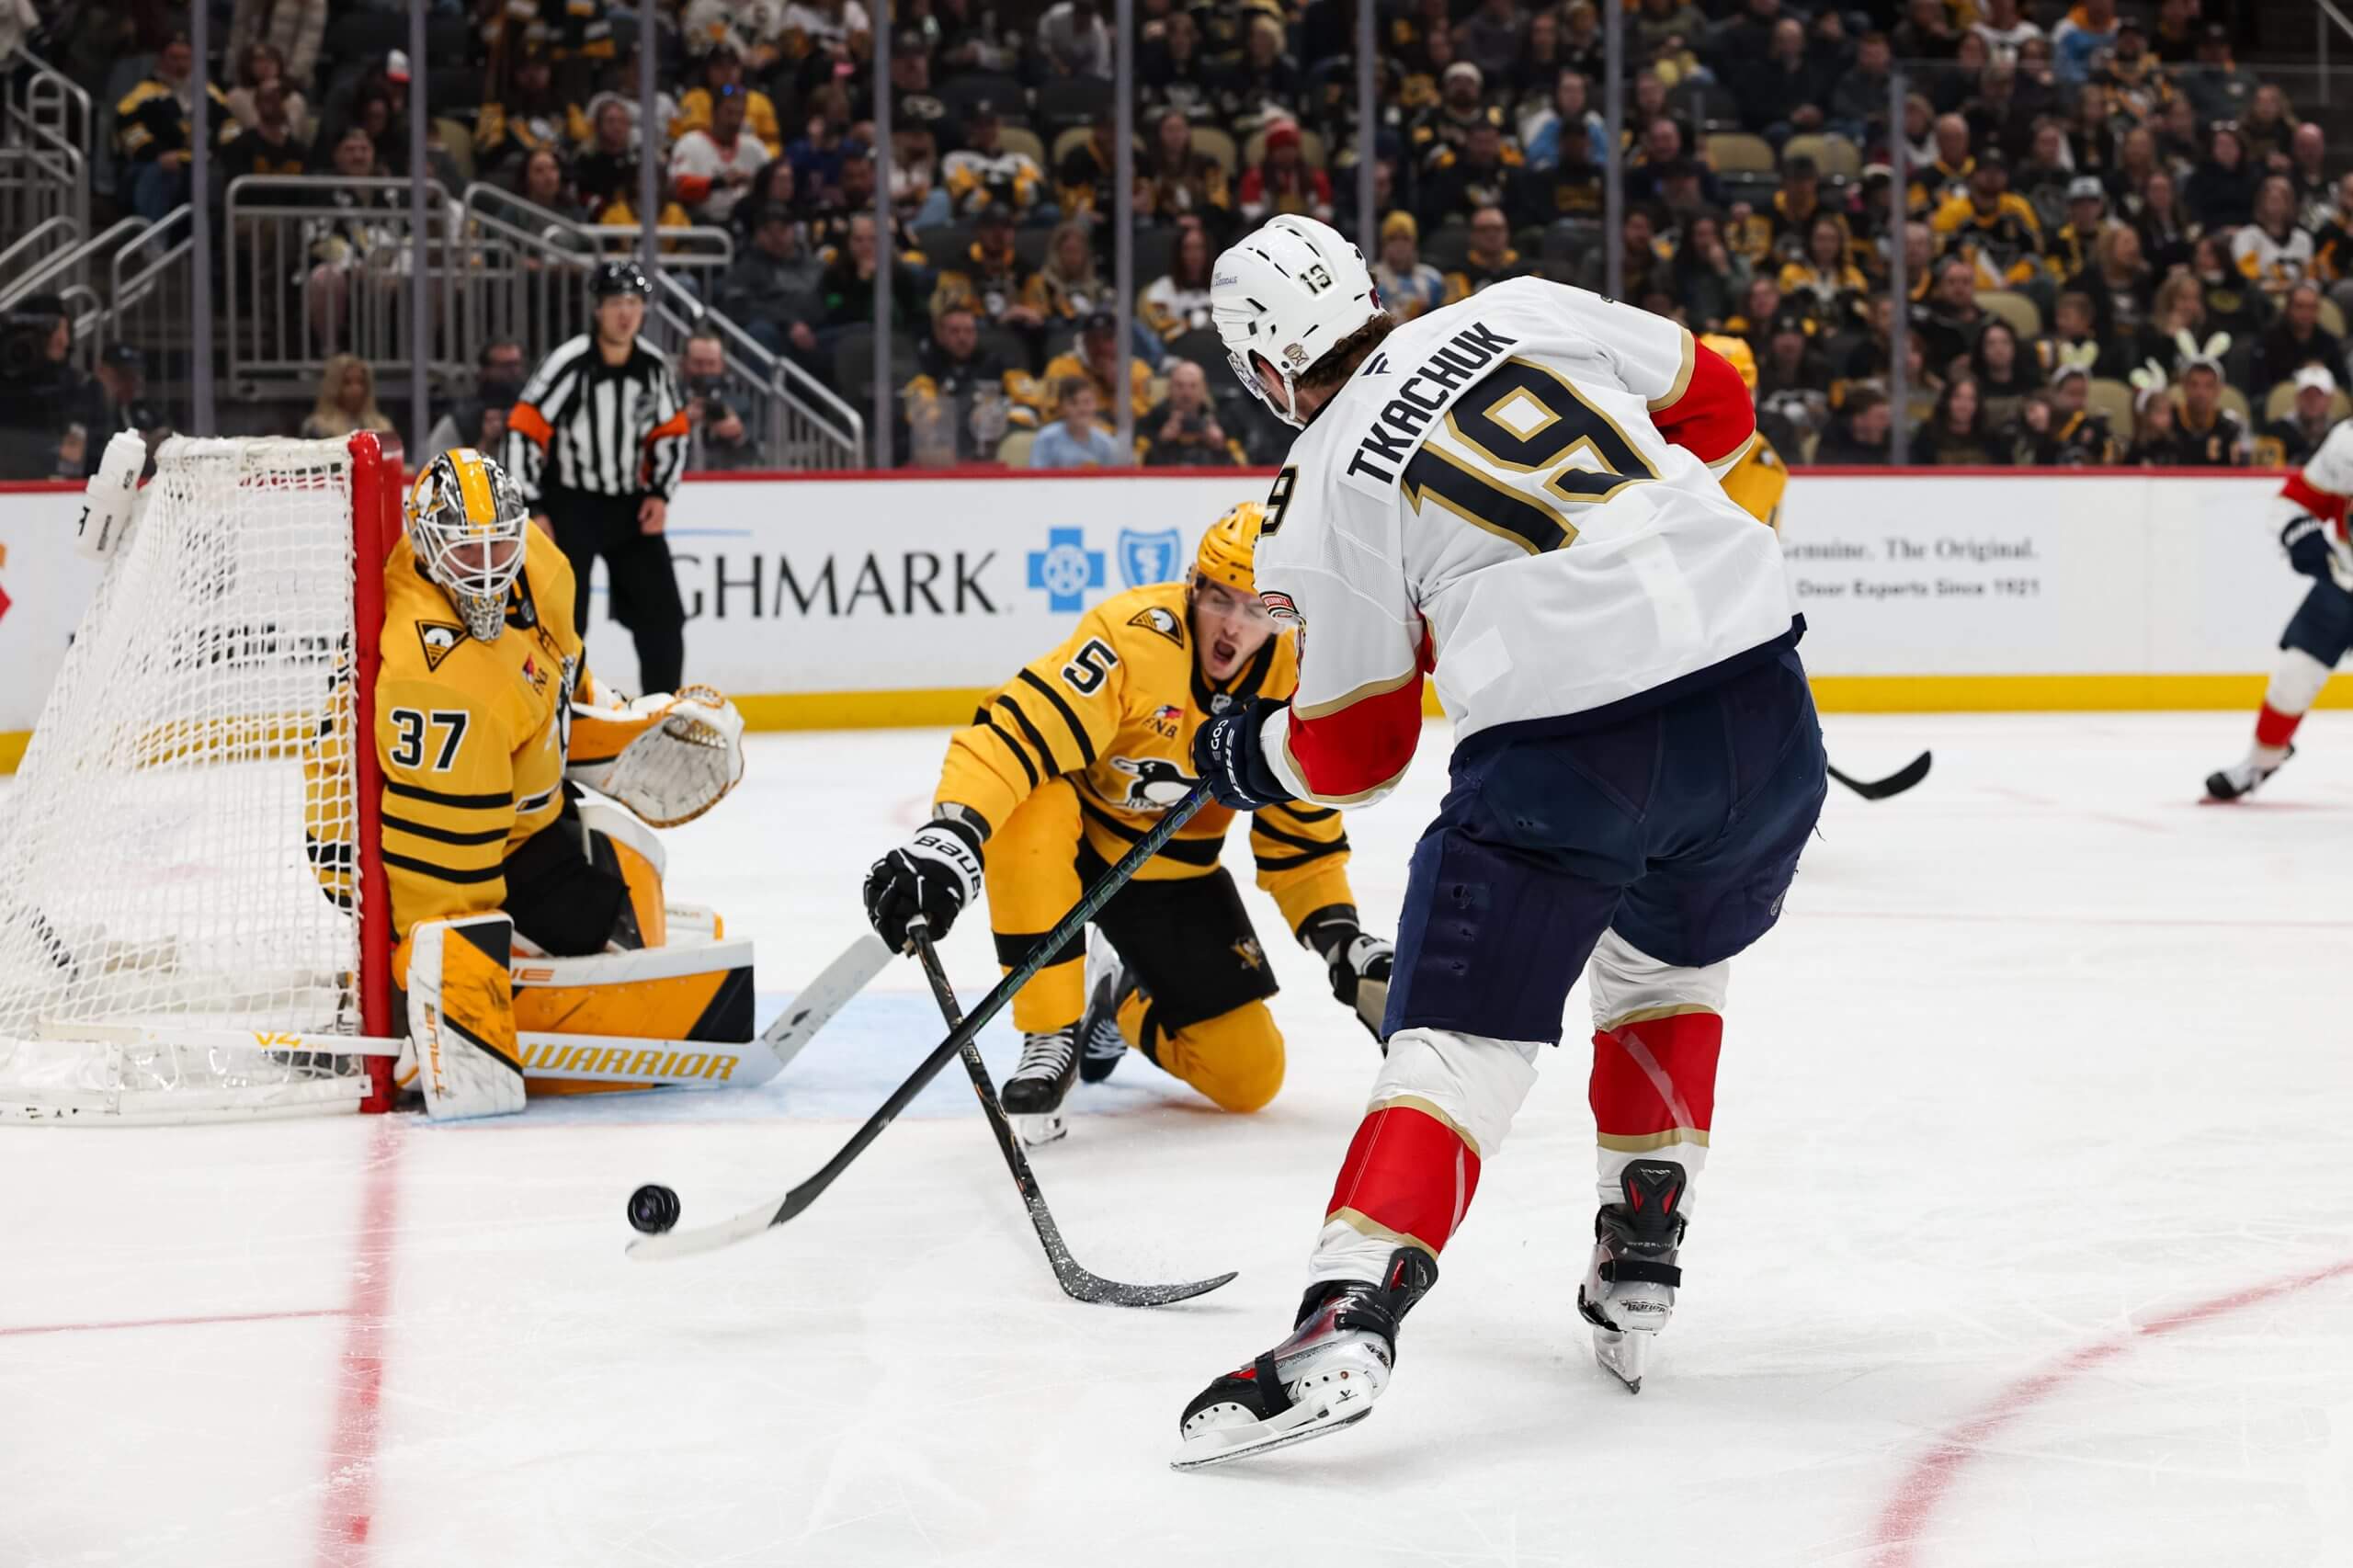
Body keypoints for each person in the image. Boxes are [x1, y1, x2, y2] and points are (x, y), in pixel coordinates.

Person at [1175, 215, 1821, 1463]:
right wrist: (1677, 553)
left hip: (1569, 753)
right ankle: (1641, 1250)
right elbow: (1719, 393)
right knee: (1669, 963)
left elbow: (1361, 754)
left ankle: (1346, 1311)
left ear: (1263, 366)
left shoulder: (1312, 488)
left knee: (1459, 1045)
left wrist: (1243, 755)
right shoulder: (1516, 306)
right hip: (1763, 702)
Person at [860, 503, 1392, 1144]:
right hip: (1074, 846)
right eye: (1220, 598)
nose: (1231, 624)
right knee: (1033, 799)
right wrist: (950, 838)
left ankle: (1121, 1000)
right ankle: (1051, 1032)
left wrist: (1342, 941)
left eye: (1255, 609)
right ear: (1193, 587)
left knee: (1249, 1077)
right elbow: (1016, 732)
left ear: (1281, 618)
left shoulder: (1297, 680)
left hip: (1172, 873)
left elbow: (1299, 839)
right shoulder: (1136, 635)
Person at [358, 446, 748, 1120]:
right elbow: (440, 883)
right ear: (425, 547)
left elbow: (557, 678)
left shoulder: (538, 564)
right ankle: (399, 996)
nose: (486, 572)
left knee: (630, 878)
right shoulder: (438, 685)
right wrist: (454, 1001)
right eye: (465, 555)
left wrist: (614, 726)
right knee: (599, 921)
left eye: (496, 547)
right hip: (443, 854)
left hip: (515, 813)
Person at [504, 262, 691, 694]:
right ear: (597, 310)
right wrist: (533, 506)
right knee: (565, 621)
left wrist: (661, 494)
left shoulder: (653, 366)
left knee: (662, 615)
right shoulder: (570, 363)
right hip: (571, 505)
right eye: (615, 303)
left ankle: (660, 716)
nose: (625, 314)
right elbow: (523, 428)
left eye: (633, 303)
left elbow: (672, 434)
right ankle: (557, 717)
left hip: (630, 506)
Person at [2205, 415, 2353, 801]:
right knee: (2293, 678)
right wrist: (2301, 536)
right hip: (2345, 583)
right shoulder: (2347, 442)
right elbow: (2295, 501)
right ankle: (2261, 762)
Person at [116, 32, 242, 221]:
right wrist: (157, 154)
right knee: (160, 174)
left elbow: (230, 126)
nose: (180, 64)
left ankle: (208, 244)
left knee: (220, 176)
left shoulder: (210, 93)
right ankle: (154, 241)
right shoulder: (142, 94)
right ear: (161, 60)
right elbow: (129, 130)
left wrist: (221, 153)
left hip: (204, 162)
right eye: (174, 58)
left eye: (185, 58)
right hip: (158, 163)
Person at [421, 339, 528, 466]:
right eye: (505, 366)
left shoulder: (535, 414)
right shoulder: (460, 420)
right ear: (485, 371)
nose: (513, 372)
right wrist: (486, 442)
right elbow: (440, 474)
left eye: (516, 364)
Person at [668, 85, 762, 227]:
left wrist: (754, 182)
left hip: (745, 224)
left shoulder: (753, 146)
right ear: (714, 112)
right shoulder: (690, 142)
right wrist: (718, 183)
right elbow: (678, 188)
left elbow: (773, 182)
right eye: (730, 112)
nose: (735, 120)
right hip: (702, 223)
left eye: (740, 113)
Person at [1137, 359, 1245, 467]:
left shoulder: (1223, 421)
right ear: (1169, 388)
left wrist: (1221, 447)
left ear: (1204, 389)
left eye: (1193, 386)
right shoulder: (1151, 420)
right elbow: (1135, 465)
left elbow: (1244, 468)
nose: (1186, 393)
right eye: (1180, 385)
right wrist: (1160, 440)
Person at [678, 332, 756, 472]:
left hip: (723, 484)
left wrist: (738, 435)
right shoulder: (665, 400)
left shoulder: (739, 404)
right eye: (697, 363)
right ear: (683, 363)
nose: (705, 370)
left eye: (711, 363)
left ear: (722, 365)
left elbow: (753, 457)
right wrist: (679, 422)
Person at [1028, 376, 1124, 469]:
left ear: (1096, 405)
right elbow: (1036, 480)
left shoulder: (1107, 444)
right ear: (1061, 408)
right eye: (1073, 403)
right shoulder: (1047, 440)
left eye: (1087, 402)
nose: (1081, 409)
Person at [2257, 365, 2341, 469]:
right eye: (2306, 394)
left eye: (2318, 395)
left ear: (2330, 399)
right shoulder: (2276, 432)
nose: (2312, 400)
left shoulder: (2341, 433)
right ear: (2297, 398)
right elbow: (2268, 473)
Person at [2172, 357, 2251, 468]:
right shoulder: (2168, 421)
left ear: (2219, 389)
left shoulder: (2233, 426)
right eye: (2194, 385)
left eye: (2209, 386)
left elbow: (2243, 471)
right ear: (2183, 386)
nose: (2201, 393)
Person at [299, 354, 395, 440]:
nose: (356, 389)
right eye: (347, 382)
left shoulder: (382, 427)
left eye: (360, 382)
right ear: (333, 387)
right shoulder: (317, 428)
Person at [1372, 211, 1445, 322]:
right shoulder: (1373, 280)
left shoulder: (1433, 278)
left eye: (1405, 239)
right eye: (1393, 239)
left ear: (1414, 244)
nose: (1399, 245)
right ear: (1383, 245)